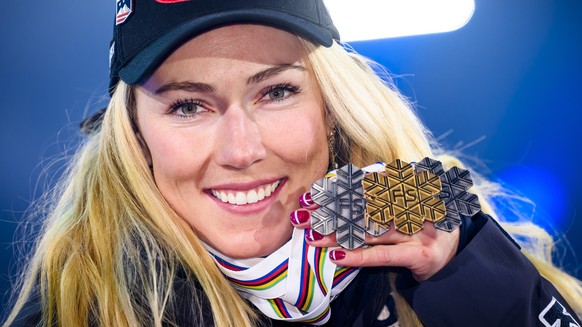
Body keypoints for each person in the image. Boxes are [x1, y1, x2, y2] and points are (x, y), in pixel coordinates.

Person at [4, 1, 581, 326]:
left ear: (330, 106)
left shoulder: (438, 230)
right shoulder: (74, 310)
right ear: (134, 134)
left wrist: (469, 276)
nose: (241, 150)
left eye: (275, 92)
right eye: (186, 105)